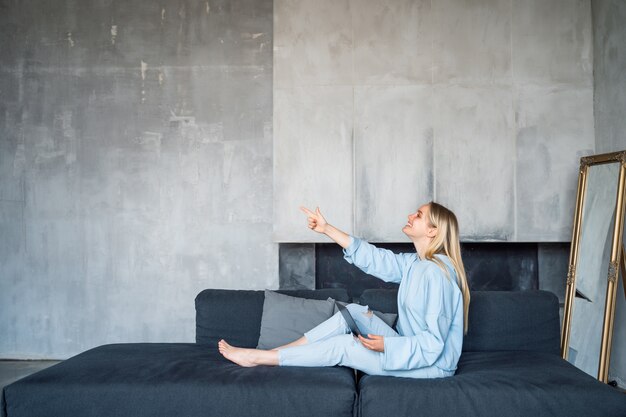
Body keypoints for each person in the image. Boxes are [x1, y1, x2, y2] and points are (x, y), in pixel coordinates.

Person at [218, 201, 470, 378]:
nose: (410, 216)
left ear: (432, 230)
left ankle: (258, 358)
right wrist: (326, 228)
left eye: (418, 214)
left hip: (433, 365)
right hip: (409, 349)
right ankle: (275, 353)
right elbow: (374, 258)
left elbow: (434, 344)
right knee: (355, 312)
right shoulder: (416, 263)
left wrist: (388, 347)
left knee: (344, 346)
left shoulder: (438, 274)